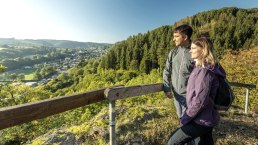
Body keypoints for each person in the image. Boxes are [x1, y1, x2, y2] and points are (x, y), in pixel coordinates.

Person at [168, 37, 226, 145]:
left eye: (193, 48)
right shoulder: (200, 68)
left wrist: (185, 118)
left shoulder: (205, 71)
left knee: (172, 141)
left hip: (201, 119)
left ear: (203, 49)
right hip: (205, 116)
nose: (190, 50)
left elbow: (200, 101)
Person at [163, 24, 194, 120]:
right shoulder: (173, 52)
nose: (174, 39)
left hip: (190, 97)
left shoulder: (195, 52)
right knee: (181, 119)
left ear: (185, 37)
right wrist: (167, 88)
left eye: (176, 36)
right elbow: (166, 71)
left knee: (188, 122)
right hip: (176, 95)